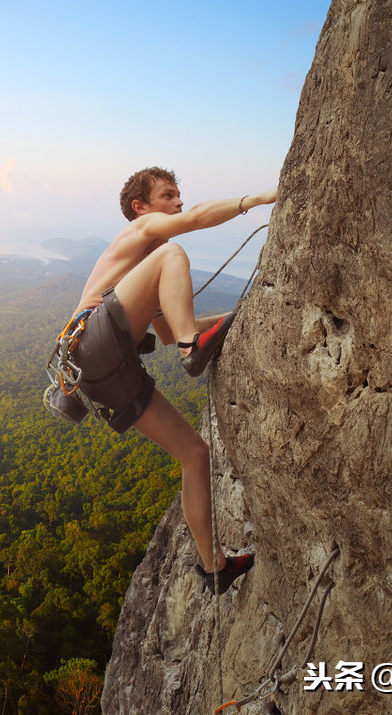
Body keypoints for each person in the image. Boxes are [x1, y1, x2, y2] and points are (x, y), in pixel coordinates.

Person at [69, 166, 276, 594]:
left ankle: (213, 566)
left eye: (179, 195)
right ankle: (194, 348)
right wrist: (254, 201)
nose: (178, 202)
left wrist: (245, 311)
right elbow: (197, 219)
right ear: (140, 207)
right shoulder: (143, 232)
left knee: (194, 454)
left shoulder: (145, 274)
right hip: (92, 340)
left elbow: (168, 333)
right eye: (168, 195)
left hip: (103, 372)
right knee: (174, 252)